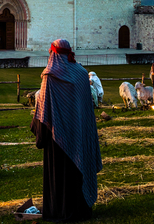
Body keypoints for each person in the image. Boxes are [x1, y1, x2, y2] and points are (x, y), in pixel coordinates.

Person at [31, 39, 102, 222]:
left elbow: (44, 110)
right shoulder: (81, 73)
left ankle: (60, 211)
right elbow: (87, 109)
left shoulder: (50, 75)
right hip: (78, 136)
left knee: (60, 176)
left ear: (53, 53)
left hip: (58, 140)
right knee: (76, 175)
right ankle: (80, 209)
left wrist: (40, 133)